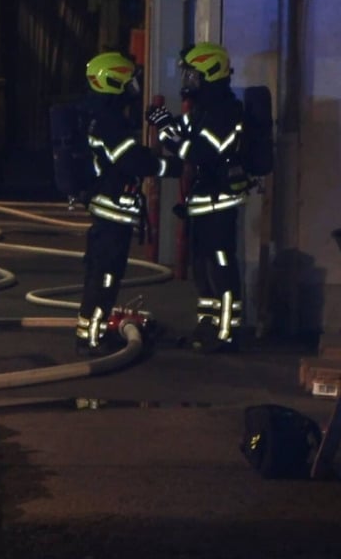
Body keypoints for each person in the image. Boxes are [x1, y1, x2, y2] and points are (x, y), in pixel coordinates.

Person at [77, 51, 182, 355]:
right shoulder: (111, 122)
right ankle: (93, 339)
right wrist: (170, 167)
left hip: (105, 209)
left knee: (100, 274)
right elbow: (134, 161)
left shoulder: (98, 115)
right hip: (114, 212)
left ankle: (90, 334)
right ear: (114, 82)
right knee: (105, 277)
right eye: (129, 82)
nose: (133, 88)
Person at [146, 41, 246, 353]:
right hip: (202, 202)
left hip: (220, 201)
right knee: (201, 267)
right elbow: (180, 130)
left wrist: (170, 136)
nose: (188, 82)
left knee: (220, 266)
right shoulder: (203, 109)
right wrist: (164, 125)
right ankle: (207, 324)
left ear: (210, 73)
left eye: (193, 75)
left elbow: (200, 152)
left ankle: (227, 331)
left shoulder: (226, 112)